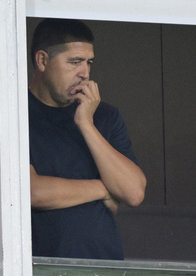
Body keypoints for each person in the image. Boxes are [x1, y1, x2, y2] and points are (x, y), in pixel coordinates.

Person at [28, 18, 146, 260]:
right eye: (74, 62)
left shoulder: (104, 115)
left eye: (89, 62)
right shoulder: (16, 113)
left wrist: (86, 124)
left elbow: (133, 192)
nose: (85, 73)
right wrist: (105, 190)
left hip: (104, 272)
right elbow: (33, 192)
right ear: (42, 61)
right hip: (39, 273)